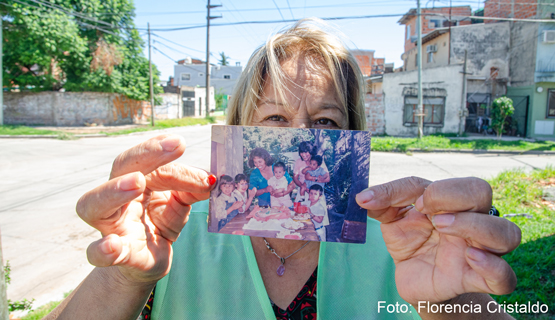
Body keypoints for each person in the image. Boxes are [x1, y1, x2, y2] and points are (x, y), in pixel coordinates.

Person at [46, 18, 520, 320]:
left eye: (325, 121)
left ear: (350, 140)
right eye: (274, 118)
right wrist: (123, 278)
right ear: (238, 131)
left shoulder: (402, 245)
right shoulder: (172, 235)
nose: (298, 140)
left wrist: (457, 310)